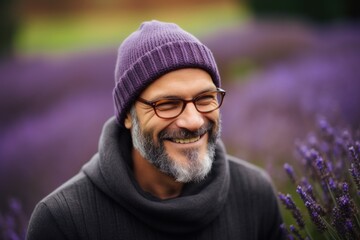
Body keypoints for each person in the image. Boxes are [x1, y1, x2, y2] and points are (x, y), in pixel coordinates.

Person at [26, 20, 284, 240]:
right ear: (128, 115)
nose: (193, 121)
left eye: (205, 98)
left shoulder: (255, 194)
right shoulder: (62, 222)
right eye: (168, 104)